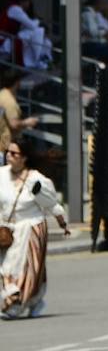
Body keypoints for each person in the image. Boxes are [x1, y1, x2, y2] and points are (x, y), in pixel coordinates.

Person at [0, 139, 69, 320]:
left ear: (24, 158)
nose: (9, 156)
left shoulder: (36, 180)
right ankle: (33, 301)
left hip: (31, 228)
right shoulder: (1, 175)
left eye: (14, 153)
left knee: (26, 270)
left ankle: (15, 304)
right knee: (6, 268)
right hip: (7, 230)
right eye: (8, 152)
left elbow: (51, 203)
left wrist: (62, 222)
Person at [0, 70, 39, 155]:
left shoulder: (2, 95)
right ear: (17, 82)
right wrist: (27, 122)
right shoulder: (9, 101)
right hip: (5, 149)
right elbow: (14, 124)